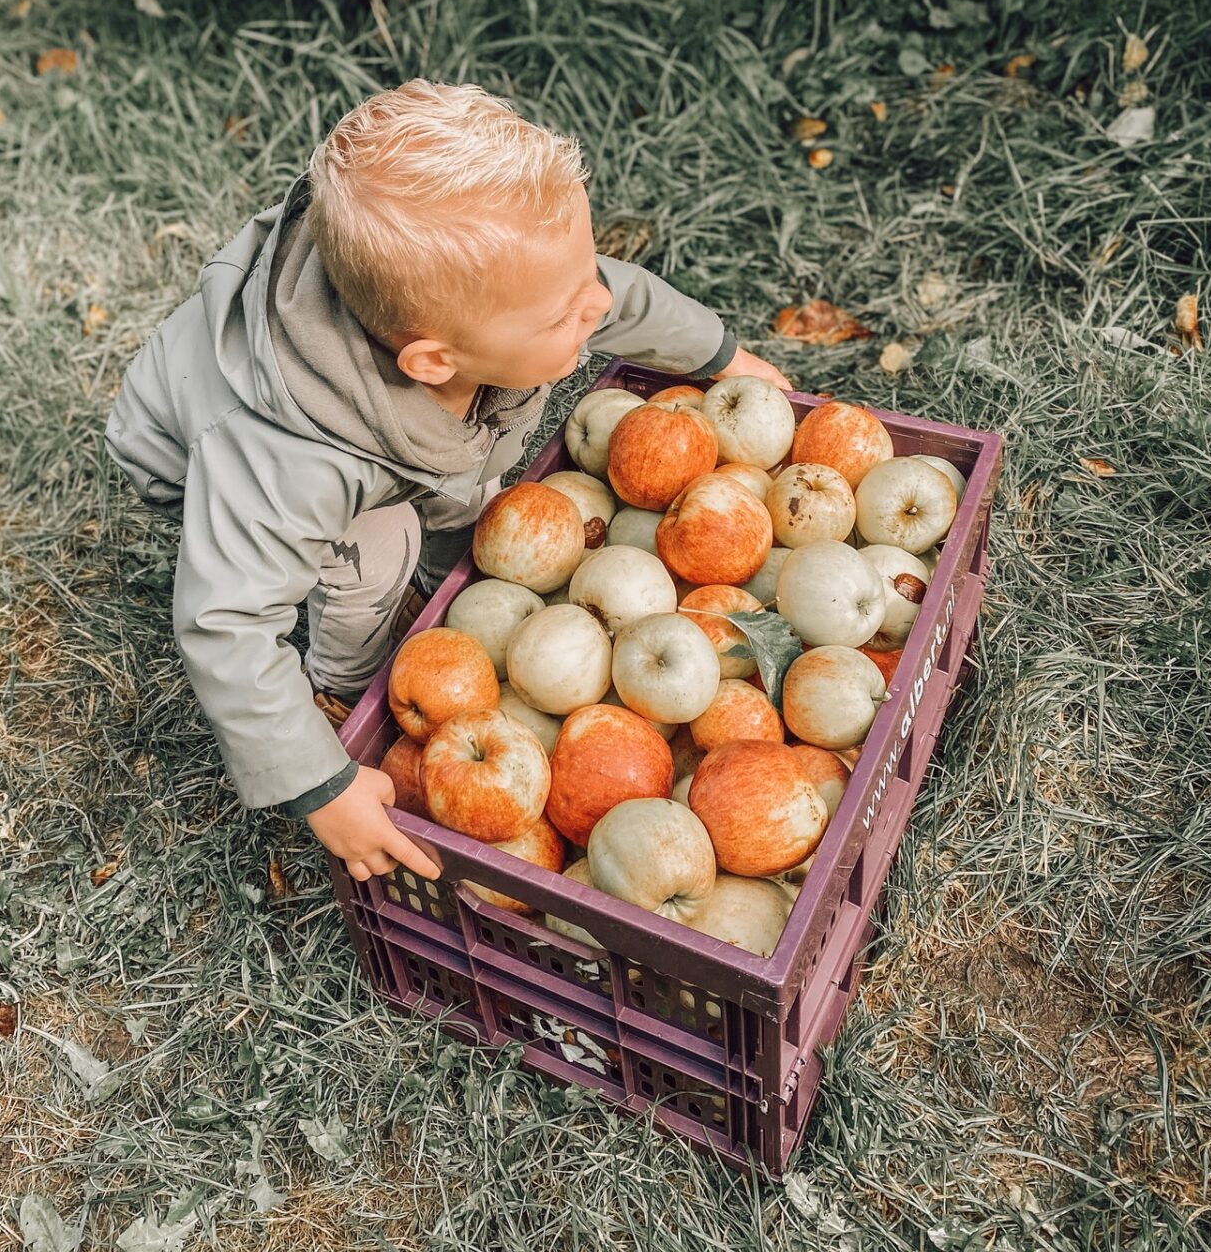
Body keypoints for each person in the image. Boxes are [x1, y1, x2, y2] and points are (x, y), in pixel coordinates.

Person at [105, 80, 790, 885]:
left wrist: (720, 356)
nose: (596, 304)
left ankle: (440, 570)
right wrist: (319, 785)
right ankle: (345, 681)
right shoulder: (292, 460)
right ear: (434, 360)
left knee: (463, 485)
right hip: (193, 456)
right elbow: (225, 621)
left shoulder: (511, 297)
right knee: (375, 549)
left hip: (377, 427)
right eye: (567, 312)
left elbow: (618, 298)